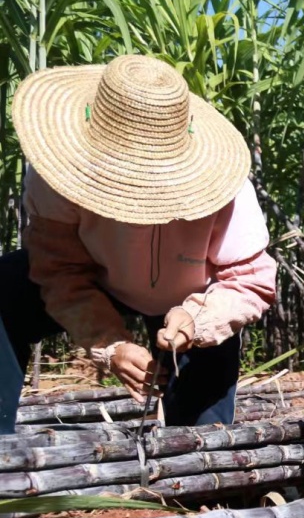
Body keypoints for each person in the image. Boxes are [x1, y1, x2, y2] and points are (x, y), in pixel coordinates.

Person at [0, 55, 276, 431]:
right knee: (7, 288)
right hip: (101, 276)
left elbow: (249, 279)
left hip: (193, 295)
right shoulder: (55, 173)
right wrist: (110, 343)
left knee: (200, 437)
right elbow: (58, 267)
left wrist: (197, 320)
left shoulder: (228, 186)